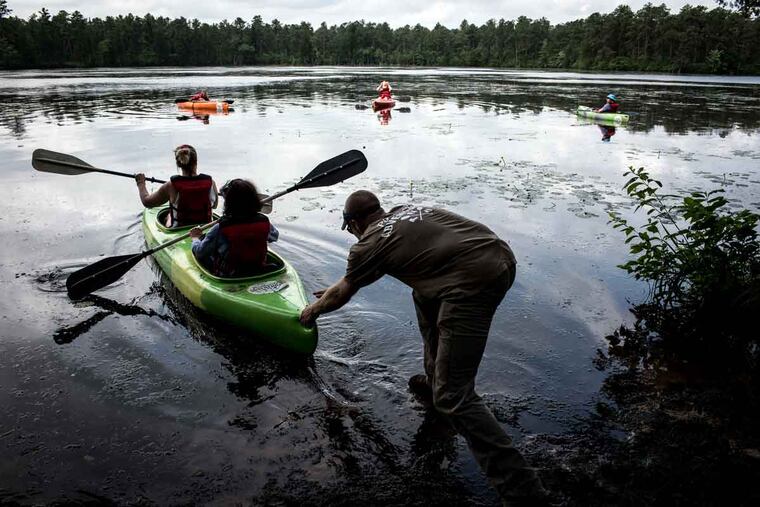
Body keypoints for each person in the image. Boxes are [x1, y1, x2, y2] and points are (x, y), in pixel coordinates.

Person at [299, 190, 550, 505]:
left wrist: (311, 312)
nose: (352, 233)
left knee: (454, 396)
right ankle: (433, 384)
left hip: (472, 280)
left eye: (349, 228)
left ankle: (525, 493)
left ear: (354, 223)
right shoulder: (404, 210)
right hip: (498, 255)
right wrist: (337, 290)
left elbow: (346, 289)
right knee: (423, 292)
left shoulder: (367, 244)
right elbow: (354, 279)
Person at [189, 179, 279, 277]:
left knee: (207, 251)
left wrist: (195, 238)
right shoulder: (264, 221)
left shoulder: (220, 228)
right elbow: (274, 236)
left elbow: (200, 253)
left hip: (230, 276)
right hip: (258, 270)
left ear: (228, 204)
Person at [135, 144, 218, 228]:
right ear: (196, 161)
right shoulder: (211, 182)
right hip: (206, 228)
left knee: (169, 215)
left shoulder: (171, 185)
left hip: (178, 229)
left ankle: (170, 217)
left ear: (178, 163)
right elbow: (214, 206)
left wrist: (140, 183)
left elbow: (147, 202)